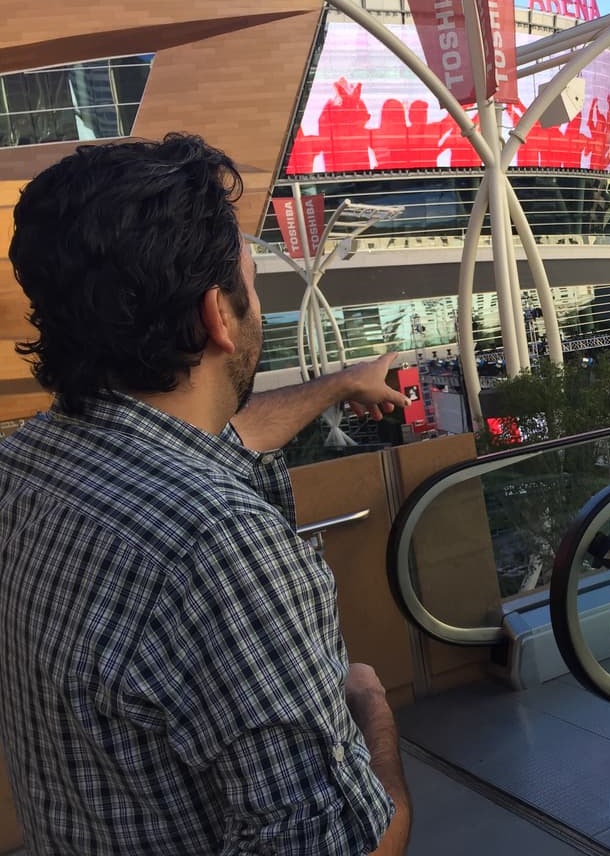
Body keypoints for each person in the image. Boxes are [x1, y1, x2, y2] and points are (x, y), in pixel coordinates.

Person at [0, 134, 413, 855]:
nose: (256, 304)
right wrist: (372, 710)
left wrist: (343, 383)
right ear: (216, 316)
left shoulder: (27, 462)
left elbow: (223, 437)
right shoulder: (222, 550)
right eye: (251, 285)